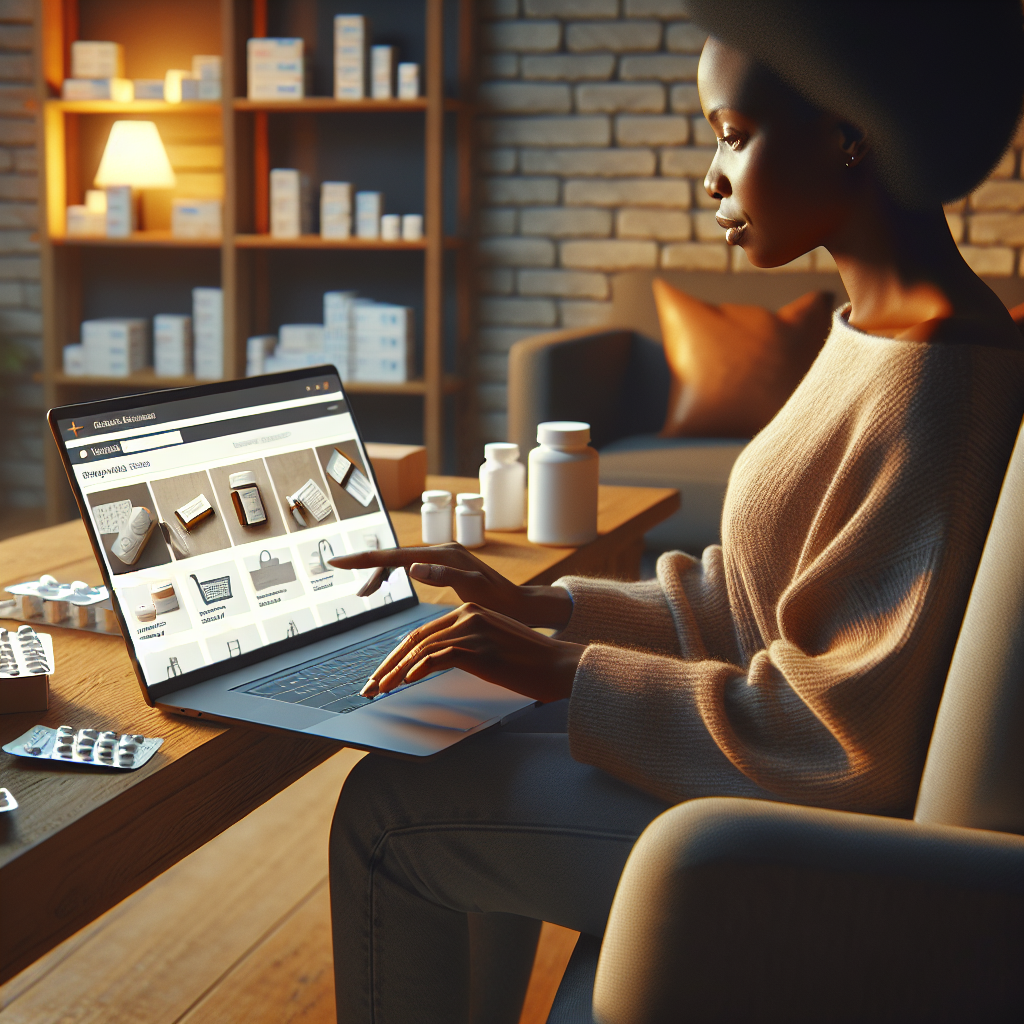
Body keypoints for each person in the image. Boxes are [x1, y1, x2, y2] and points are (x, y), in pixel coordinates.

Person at [327, 4, 1024, 1020]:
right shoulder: (877, 332)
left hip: (798, 848)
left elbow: (845, 741)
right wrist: (548, 613)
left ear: (848, 135)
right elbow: (755, 605)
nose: (711, 178)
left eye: (732, 137)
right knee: (445, 742)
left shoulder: (938, 383)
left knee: (384, 811)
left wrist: (561, 671)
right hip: (763, 793)